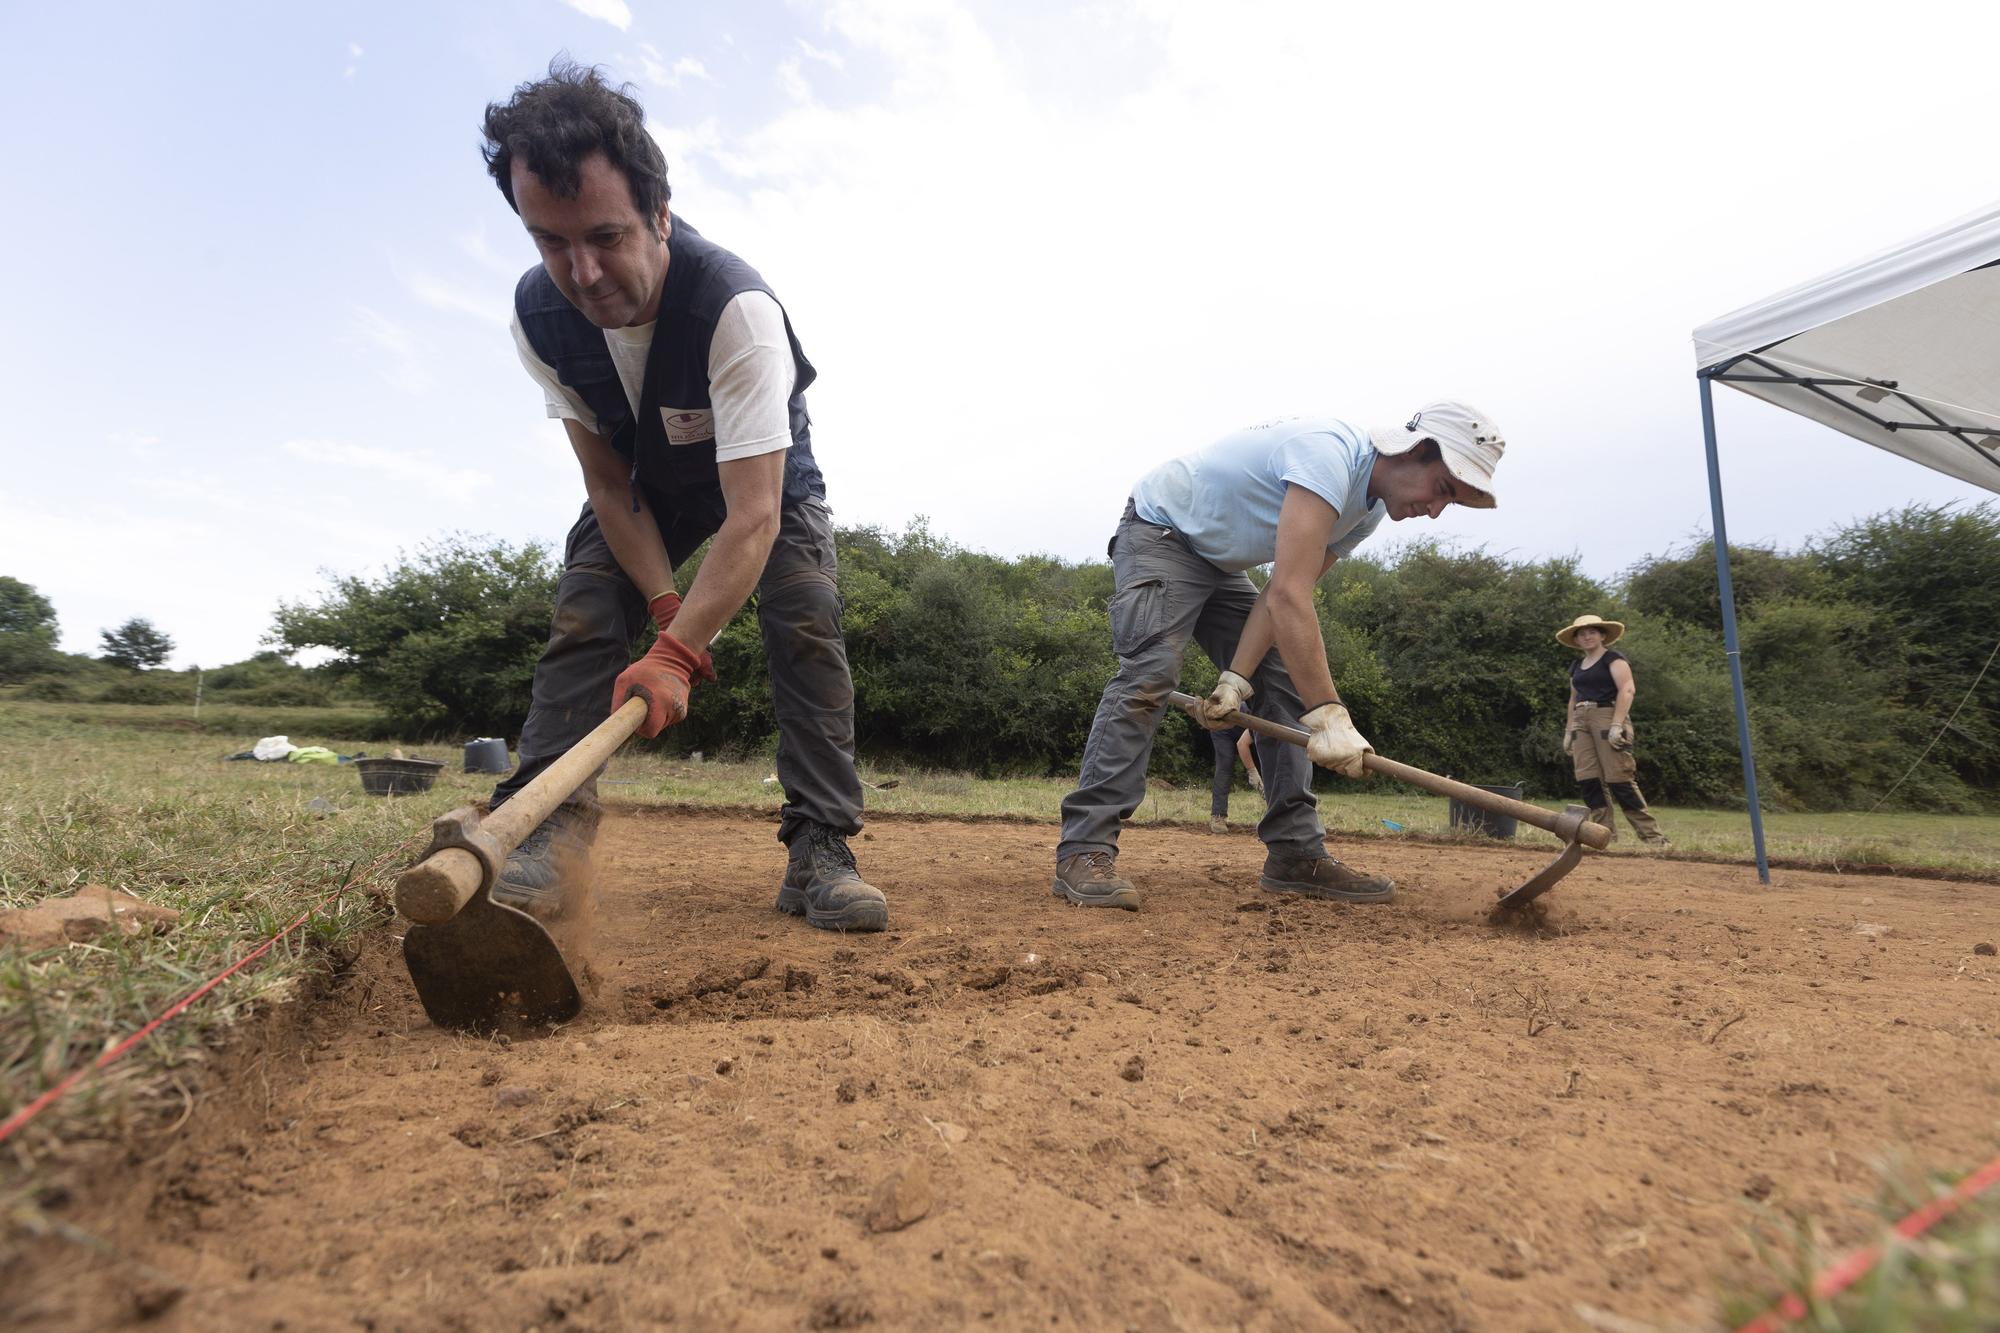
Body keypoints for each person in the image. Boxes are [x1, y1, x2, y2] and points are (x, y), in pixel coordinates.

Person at [475, 62, 887, 931]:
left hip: (761, 477)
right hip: (643, 480)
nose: (582, 273)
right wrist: (666, 606)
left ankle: (821, 848)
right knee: (588, 606)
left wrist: (676, 655)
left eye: (606, 236)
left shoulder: (735, 310)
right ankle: (545, 834)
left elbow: (755, 516)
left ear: (660, 214)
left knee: (805, 614)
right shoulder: (536, 317)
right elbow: (608, 483)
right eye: (551, 242)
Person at [1054, 404, 1508, 910]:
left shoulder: (1369, 511)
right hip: (1162, 532)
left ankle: (1295, 854)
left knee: (1282, 684)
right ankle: (1085, 848)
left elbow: (1279, 593)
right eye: (1443, 489)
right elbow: (1292, 596)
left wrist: (1236, 680)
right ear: (1416, 451)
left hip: (1221, 563)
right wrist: (1330, 715)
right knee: (1150, 675)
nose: (1437, 510)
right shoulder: (1329, 456)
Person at [1557, 613, 1668, 845]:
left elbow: (1627, 690)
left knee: (1619, 778)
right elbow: (1572, 698)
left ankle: (1654, 839)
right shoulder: (1576, 666)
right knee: (1588, 779)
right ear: (1576, 640)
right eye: (1582, 634)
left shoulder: (1613, 659)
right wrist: (1569, 731)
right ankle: (1603, 836)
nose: (1587, 637)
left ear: (1602, 635)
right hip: (1580, 719)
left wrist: (1617, 724)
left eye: (1592, 632)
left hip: (1607, 716)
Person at [1208, 725, 1261, 833]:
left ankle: (1274, 816)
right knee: (1224, 767)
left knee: (1266, 764)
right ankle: (1218, 816)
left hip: (1254, 725)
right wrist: (1252, 771)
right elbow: (1241, 744)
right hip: (1222, 725)